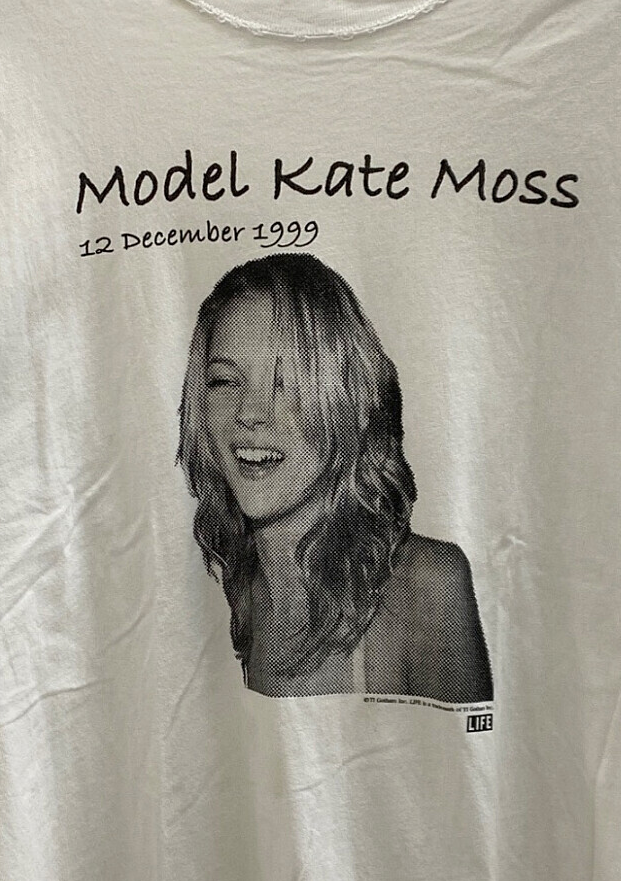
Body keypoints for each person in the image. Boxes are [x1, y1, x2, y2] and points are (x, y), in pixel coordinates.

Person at [176, 253, 493, 704]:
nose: (249, 413)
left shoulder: (424, 585)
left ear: (348, 401)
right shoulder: (237, 590)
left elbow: (473, 746)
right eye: (225, 382)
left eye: (286, 382)